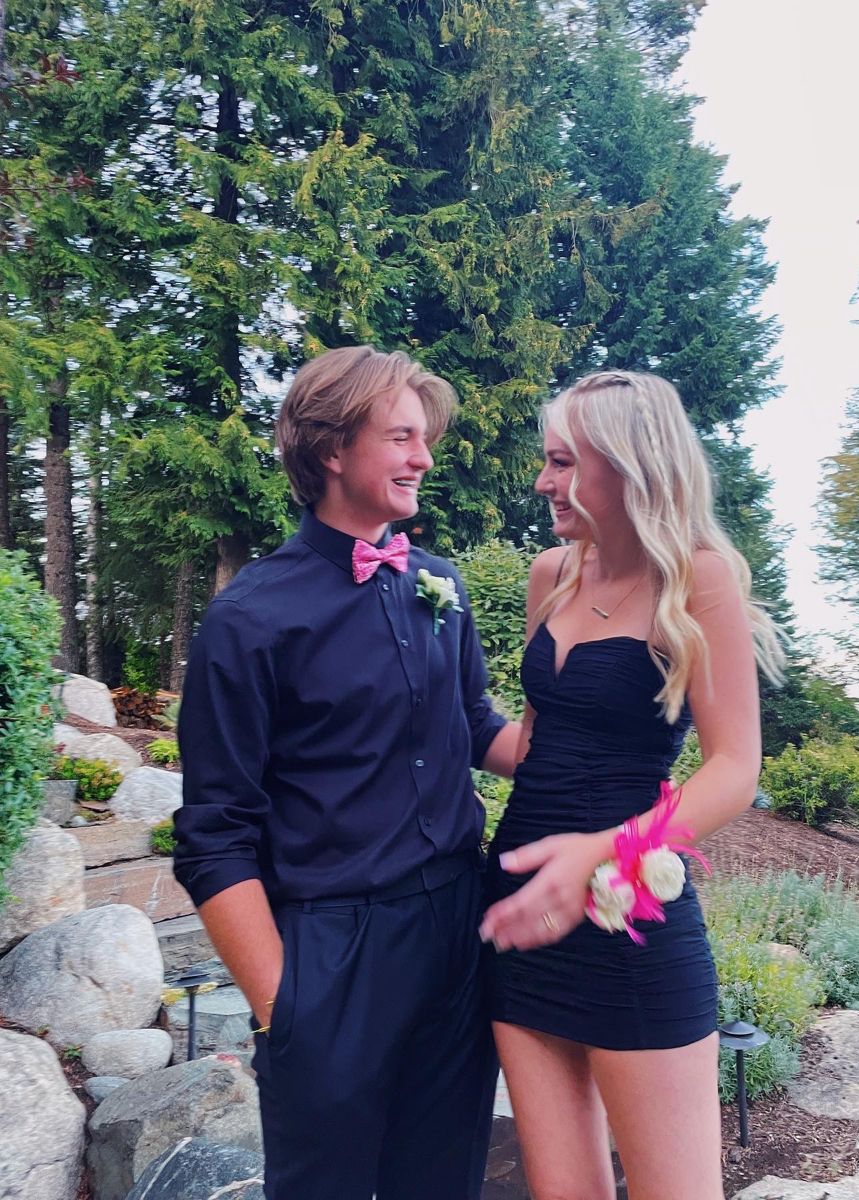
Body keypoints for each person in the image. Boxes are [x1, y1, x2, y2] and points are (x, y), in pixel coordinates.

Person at [173, 345, 520, 1200]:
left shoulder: (441, 585)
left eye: (424, 438)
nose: (424, 458)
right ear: (332, 449)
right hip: (331, 949)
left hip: (457, 930)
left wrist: (599, 727)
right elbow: (214, 835)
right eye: (402, 437)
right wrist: (284, 1010)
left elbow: (477, 727)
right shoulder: (249, 619)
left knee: (443, 1185)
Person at [479, 370, 785, 1200]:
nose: (543, 482)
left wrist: (601, 853)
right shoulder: (552, 574)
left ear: (629, 466)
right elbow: (535, 749)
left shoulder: (698, 578)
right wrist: (427, 720)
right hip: (525, 919)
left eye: (563, 463)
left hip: (628, 924)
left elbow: (734, 769)